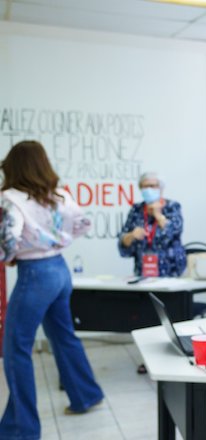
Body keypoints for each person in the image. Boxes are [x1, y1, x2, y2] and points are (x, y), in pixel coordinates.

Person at [0, 140, 105, 440]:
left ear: (14, 166)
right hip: (60, 269)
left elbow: (6, 243)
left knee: (16, 349)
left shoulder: (10, 198)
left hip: (34, 274)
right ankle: (85, 395)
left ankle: (21, 430)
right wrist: (55, 240)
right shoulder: (59, 195)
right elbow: (84, 223)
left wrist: (12, 254)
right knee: (63, 335)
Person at [117, 172, 186, 277]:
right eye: (145, 186)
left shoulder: (172, 207)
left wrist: (158, 215)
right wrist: (131, 236)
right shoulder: (136, 209)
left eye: (153, 186)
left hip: (172, 273)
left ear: (161, 188)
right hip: (143, 273)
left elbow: (174, 231)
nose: (149, 189)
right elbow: (122, 244)